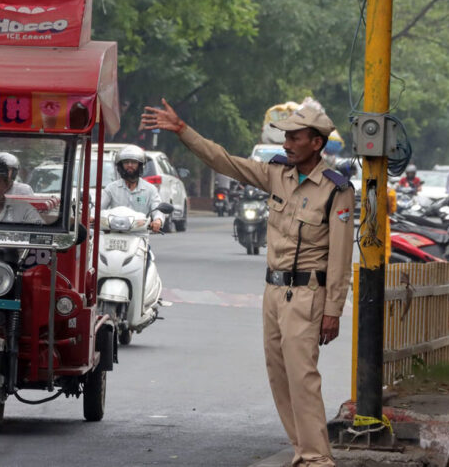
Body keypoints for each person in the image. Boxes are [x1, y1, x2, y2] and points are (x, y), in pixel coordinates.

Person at [142, 100, 353, 466]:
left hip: (306, 293)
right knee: (280, 377)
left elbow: (340, 259)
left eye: (295, 137)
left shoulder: (336, 190)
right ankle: (303, 451)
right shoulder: (277, 173)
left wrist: (333, 311)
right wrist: (182, 131)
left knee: (303, 376)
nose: (287, 143)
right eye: (285, 136)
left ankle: (318, 458)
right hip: (273, 291)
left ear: (316, 143)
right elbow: (225, 161)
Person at [102, 144, 164, 233]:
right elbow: (98, 208)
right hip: (114, 236)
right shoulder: (111, 188)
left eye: (134, 162)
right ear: (120, 165)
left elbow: (157, 209)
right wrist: (91, 217)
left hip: (140, 237)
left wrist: (158, 220)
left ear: (140, 165)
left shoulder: (150, 189)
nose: (130, 165)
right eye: (126, 162)